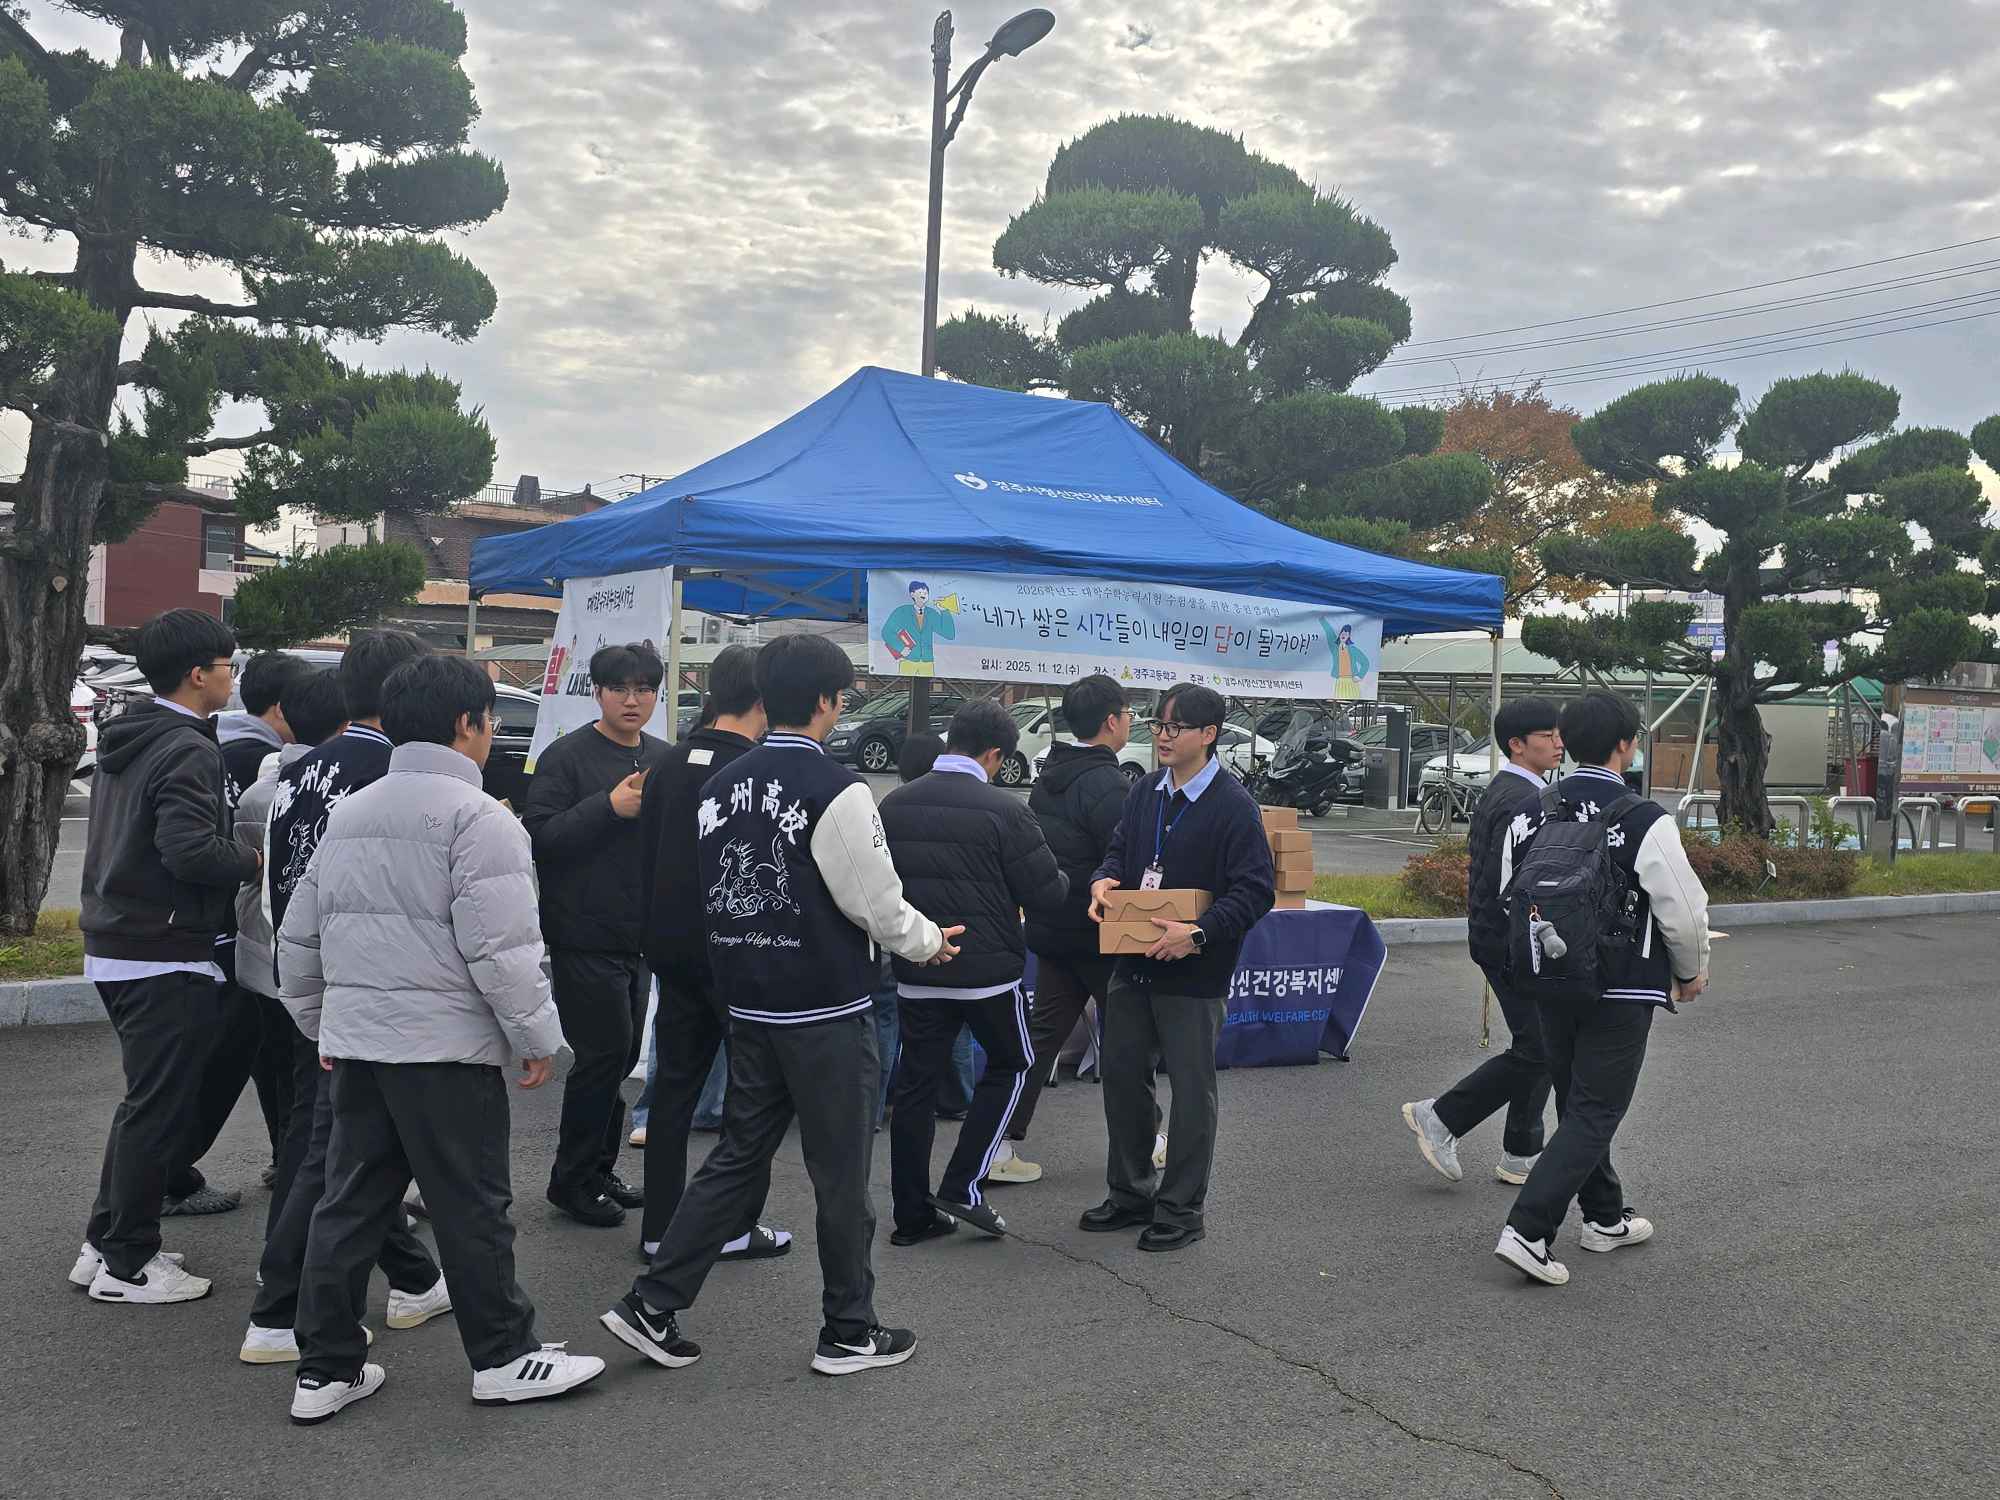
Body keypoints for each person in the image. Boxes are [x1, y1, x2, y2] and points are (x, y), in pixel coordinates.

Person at [601, 633, 958, 1379]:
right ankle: (849, 1329)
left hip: (750, 1001)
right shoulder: (837, 788)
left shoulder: (720, 785)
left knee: (737, 1157)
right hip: (825, 1010)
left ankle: (652, 1302)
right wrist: (929, 943)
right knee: (841, 1175)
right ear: (829, 700)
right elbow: (876, 906)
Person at [279, 654, 600, 1424]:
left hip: (360, 1046)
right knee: (472, 1205)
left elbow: (299, 934)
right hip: (445, 1053)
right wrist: (537, 1038)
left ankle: (324, 1368)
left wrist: (322, 1023)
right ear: (469, 724)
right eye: (488, 721)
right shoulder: (480, 818)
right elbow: (504, 949)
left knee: (348, 1204)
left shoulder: (350, 813)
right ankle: (503, 1356)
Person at [243, 668, 448, 1367]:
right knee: (327, 1153)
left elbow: (282, 890)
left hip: (305, 979)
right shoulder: (389, 775)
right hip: (365, 993)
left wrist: (297, 986)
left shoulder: (297, 770)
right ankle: (278, 1309)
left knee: (358, 1152)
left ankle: (414, 1280)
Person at [70, 609, 260, 1303]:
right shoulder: (187, 747)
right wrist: (255, 858)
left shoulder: (134, 734)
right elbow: (190, 851)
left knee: (144, 1106)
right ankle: (128, 1265)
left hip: (118, 940)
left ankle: (103, 1244)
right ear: (197, 674)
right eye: (227, 666)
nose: (232, 678)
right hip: (163, 948)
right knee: (159, 1112)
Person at [1493, 690, 1711, 1288]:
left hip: (1550, 976)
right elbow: (1682, 909)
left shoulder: (1531, 811)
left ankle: (1604, 1218)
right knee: (1596, 1109)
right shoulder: (1643, 818)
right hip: (1623, 983)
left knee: (1577, 1104)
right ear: (1625, 744)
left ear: (1565, 741)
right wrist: (1690, 971)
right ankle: (1528, 1230)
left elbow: (1509, 894)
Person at [1083, 683, 1274, 1252]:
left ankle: (1181, 1208)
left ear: (1208, 735)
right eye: (1158, 725)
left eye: (1175, 727)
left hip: (1193, 972)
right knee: (1122, 1080)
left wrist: (1197, 933)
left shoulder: (1233, 805)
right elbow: (1118, 851)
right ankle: (1130, 1192)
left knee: (1192, 1094)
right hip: (1132, 960)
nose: (1163, 736)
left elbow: (1255, 890)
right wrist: (1103, 880)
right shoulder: (1146, 791)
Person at [878, 701, 1065, 1246]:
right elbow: (1046, 893)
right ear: (994, 754)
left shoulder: (894, 804)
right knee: (1014, 1063)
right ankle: (964, 1182)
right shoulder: (1005, 810)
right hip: (987, 973)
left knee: (916, 1085)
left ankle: (911, 1215)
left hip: (917, 966)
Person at [633, 645, 792, 1262]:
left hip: (671, 951)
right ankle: (732, 1225)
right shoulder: (757, 771)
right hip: (739, 955)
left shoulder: (667, 764)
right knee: (752, 1096)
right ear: (764, 700)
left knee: (673, 1091)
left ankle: (659, 1228)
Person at [522, 642, 669, 1228]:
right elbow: (540, 837)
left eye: (644, 689)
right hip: (582, 933)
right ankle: (571, 1180)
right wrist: (608, 806)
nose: (632, 700)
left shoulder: (663, 756)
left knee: (623, 1055)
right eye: (619, 689)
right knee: (603, 1054)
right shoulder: (566, 757)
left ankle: (598, 1169)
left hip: (641, 935)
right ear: (598, 692)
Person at [1402, 697, 1563, 1186]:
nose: (1559, 743)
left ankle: (1521, 1151)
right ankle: (1442, 1116)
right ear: (1517, 744)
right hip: (1512, 943)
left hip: (1504, 939)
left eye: (1558, 734)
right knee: (1540, 1047)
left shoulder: (1514, 789)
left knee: (1539, 1043)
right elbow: (1510, 884)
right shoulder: (1521, 799)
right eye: (1547, 736)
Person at [184, 649, 315, 1197]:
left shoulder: (220, 744)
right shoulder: (260, 763)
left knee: (262, 1054)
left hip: (230, 930)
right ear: (285, 708)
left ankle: (285, 1156)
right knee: (254, 1055)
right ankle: (172, 1171)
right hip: (244, 932)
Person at [1010, 674, 1133, 1181]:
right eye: (1129, 714)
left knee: (1041, 1040)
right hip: (1100, 932)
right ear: (1112, 721)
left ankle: (998, 1145)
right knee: (1127, 1041)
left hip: (1052, 925)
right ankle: (1144, 1140)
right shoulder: (1110, 784)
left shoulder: (1048, 775)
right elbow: (1126, 858)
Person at [235, 668, 347, 1216]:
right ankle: (299, 1202)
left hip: (262, 959)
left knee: (280, 1074)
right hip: (309, 967)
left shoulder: (261, 792)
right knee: (314, 1097)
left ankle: (286, 1162)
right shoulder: (336, 789)